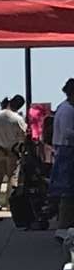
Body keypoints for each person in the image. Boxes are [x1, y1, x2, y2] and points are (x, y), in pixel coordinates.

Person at [0, 95, 26, 206]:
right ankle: (10, 204)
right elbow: (23, 135)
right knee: (12, 178)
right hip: (12, 151)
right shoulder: (18, 119)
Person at [51, 79, 74, 231]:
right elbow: (67, 132)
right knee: (68, 190)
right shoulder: (68, 110)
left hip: (63, 149)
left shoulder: (62, 107)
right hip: (68, 150)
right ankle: (64, 225)